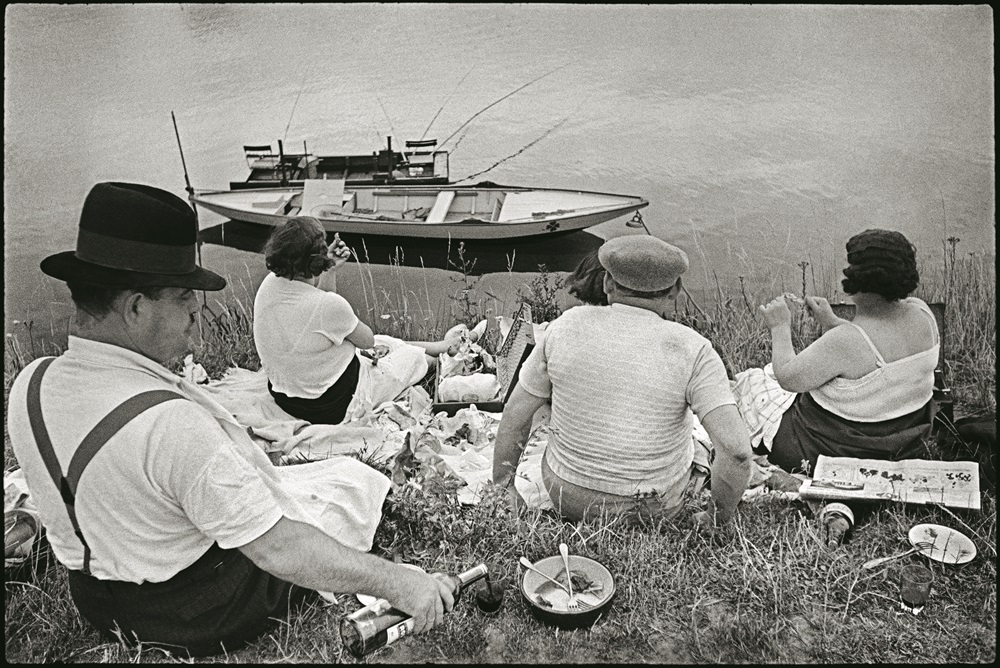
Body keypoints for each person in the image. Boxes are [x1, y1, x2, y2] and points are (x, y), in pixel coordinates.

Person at [6, 183, 454, 657]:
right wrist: (402, 583)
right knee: (347, 485)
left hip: (96, 601)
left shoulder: (31, 384)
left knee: (315, 480)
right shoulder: (171, 424)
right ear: (136, 307)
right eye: (185, 299)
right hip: (195, 611)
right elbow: (278, 550)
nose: (196, 316)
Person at [492, 235, 753, 528]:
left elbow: (515, 413)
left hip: (566, 495)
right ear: (675, 291)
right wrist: (717, 518)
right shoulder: (695, 349)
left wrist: (504, 487)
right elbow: (737, 452)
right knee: (699, 446)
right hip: (652, 508)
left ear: (607, 284)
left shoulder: (565, 325)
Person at [759, 229, 939, 477]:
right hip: (903, 438)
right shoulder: (922, 314)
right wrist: (831, 321)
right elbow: (872, 349)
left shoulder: (846, 341)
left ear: (857, 277)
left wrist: (779, 327)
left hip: (836, 447)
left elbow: (788, 379)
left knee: (755, 385)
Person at [253, 217, 458, 425]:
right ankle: (440, 359)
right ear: (316, 259)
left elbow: (322, 315)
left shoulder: (269, 285)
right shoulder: (329, 306)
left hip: (287, 398)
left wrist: (330, 269)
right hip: (333, 405)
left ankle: (441, 346)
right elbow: (367, 341)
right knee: (406, 356)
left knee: (383, 341)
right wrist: (327, 266)